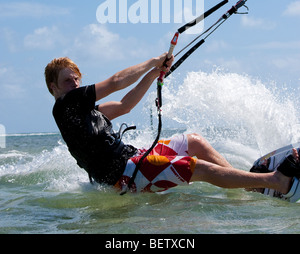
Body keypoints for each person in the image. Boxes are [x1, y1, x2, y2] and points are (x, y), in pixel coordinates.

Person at [45, 54, 300, 200]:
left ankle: (249, 184)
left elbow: (125, 104)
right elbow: (116, 81)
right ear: (53, 88)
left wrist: (154, 74)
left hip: (133, 159)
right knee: (196, 167)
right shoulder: (65, 106)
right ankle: (277, 181)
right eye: (68, 81)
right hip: (123, 177)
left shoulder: (87, 111)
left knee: (195, 142)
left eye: (77, 78)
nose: (76, 84)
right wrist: (152, 61)